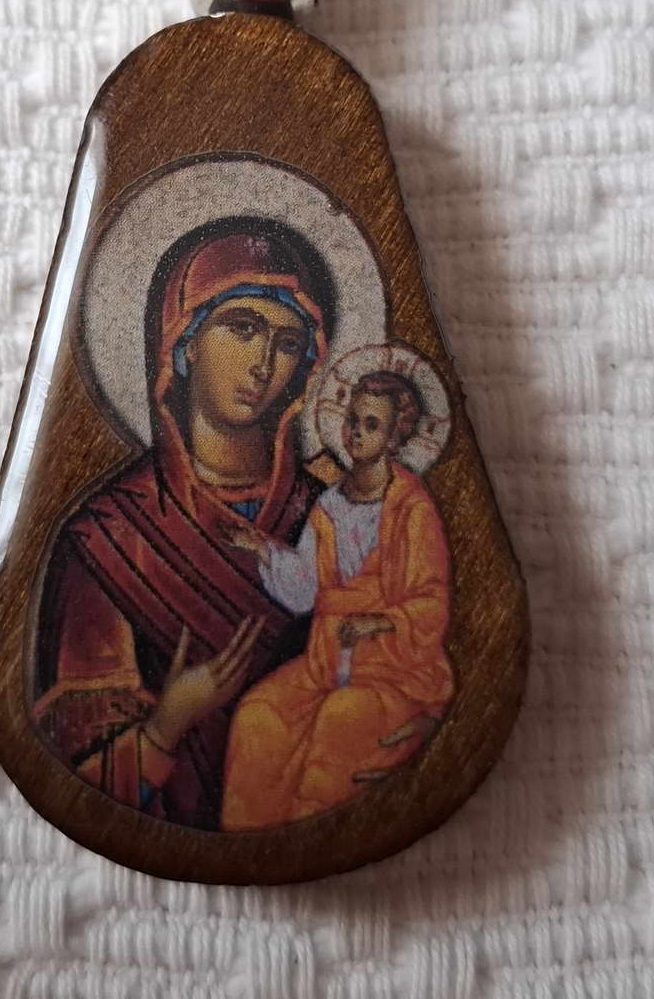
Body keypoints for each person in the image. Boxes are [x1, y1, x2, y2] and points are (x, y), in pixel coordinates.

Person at [30, 219, 335, 828]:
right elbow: (77, 772)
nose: (263, 363)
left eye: (287, 342)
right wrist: (169, 722)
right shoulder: (110, 538)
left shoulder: (330, 516)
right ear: (185, 341)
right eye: (242, 328)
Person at [219, 369, 454, 830]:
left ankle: (305, 844)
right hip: (324, 661)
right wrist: (261, 547)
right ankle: (248, 841)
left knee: (339, 720)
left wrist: (378, 622)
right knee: (257, 715)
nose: (356, 433)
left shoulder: (411, 508)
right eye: (352, 420)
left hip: (393, 669)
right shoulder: (330, 505)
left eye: (371, 425)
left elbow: (432, 600)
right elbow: (306, 589)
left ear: (394, 437)